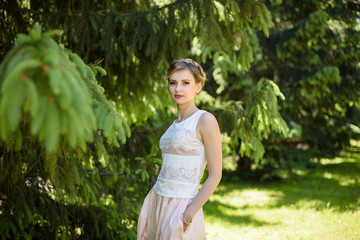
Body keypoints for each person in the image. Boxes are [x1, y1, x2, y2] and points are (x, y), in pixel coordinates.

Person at [137, 58, 222, 240]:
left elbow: (216, 174)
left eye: (185, 83)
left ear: (198, 87)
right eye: (173, 83)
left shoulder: (205, 120)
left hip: (182, 206)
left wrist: (188, 214)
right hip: (158, 200)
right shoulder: (174, 125)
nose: (178, 89)